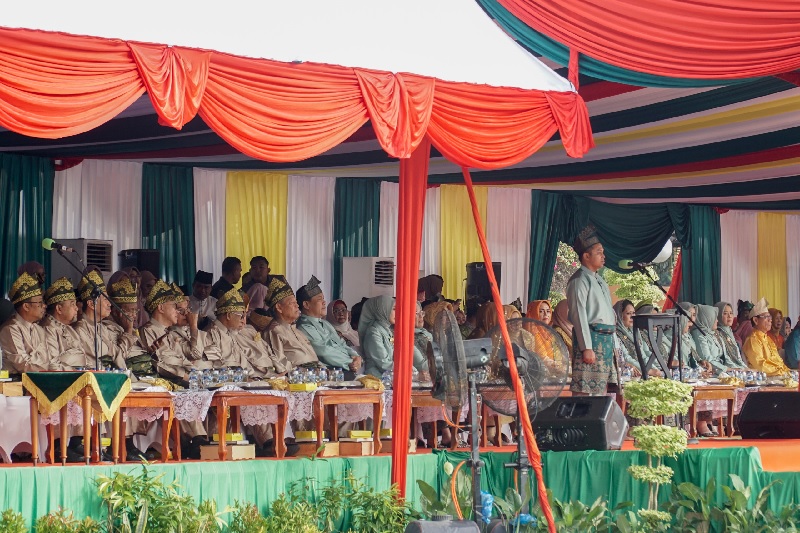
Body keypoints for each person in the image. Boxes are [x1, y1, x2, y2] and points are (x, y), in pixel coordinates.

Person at [567, 226, 617, 396]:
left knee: (601, 392)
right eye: (599, 252)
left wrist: (614, 343)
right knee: (585, 392)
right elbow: (578, 314)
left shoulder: (600, 280)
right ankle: (581, 423)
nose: (604, 256)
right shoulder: (579, 280)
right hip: (592, 340)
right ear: (586, 256)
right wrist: (586, 347)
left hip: (606, 341)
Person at [295, 275, 362, 376]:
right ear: (306, 305)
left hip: (345, 370)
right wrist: (350, 361)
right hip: (330, 374)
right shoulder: (304, 327)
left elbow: (341, 344)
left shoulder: (325, 324)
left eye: (324, 298)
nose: (324, 302)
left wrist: (356, 356)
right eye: (319, 299)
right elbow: (324, 352)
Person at [0, 272, 60, 375]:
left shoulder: (38, 329)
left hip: (41, 378)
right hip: (16, 384)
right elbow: (23, 365)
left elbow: (49, 360)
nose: (44, 306)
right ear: (26, 307)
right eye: (40, 302)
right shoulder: (10, 329)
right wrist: (50, 372)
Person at [104, 276, 156, 378]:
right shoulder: (107, 328)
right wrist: (128, 331)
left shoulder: (131, 329)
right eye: (130, 310)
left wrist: (149, 352)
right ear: (116, 312)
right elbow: (118, 357)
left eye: (135, 310)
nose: (134, 315)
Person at [264, 277, 318, 368]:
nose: (297, 305)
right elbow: (280, 363)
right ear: (279, 308)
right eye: (291, 303)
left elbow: (313, 358)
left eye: (296, 302)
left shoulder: (297, 331)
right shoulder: (274, 331)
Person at [41, 277, 87, 369]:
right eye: (72, 304)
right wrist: (75, 369)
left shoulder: (69, 329)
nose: (77, 308)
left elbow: (83, 359)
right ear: (59, 309)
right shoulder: (47, 329)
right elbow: (52, 365)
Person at [743, 297, 790, 376]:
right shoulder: (753, 340)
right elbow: (760, 365)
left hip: (778, 375)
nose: (770, 320)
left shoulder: (768, 338)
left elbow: (778, 361)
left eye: (770, 317)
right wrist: (781, 372)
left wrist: (787, 371)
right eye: (766, 317)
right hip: (766, 378)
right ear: (756, 320)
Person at [613, 299, 656, 377]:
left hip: (643, 370)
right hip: (629, 373)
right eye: (628, 313)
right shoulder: (615, 334)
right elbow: (626, 358)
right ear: (619, 315)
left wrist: (654, 369)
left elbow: (643, 355)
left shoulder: (635, 332)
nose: (632, 316)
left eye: (633, 313)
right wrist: (647, 370)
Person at [358, 295, 397, 378]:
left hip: (389, 376)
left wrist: (413, 370)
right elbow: (383, 363)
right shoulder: (373, 332)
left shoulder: (387, 331)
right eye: (394, 309)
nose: (397, 312)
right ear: (383, 310)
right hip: (377, 379)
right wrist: (407, 371)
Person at [691, 304, 729, 375]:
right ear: (707, 318)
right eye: (715, 318)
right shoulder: (699, 334)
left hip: (721, 371)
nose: (717, 320)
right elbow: (707, 359)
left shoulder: (713, 333)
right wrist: (728, 369)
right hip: (713, 373)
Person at [713, 302, 749, 370]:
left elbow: (738, 357)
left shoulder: (730, 332)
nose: (729, 316)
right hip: (728, 370)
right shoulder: (717, 334)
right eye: (725, 313)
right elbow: (726, 359)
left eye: (731, 313)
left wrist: (744, 368)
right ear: (718, 315)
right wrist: (740, 369)